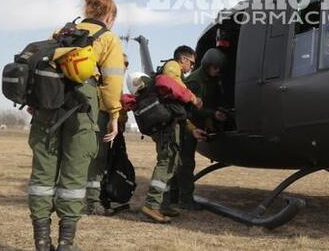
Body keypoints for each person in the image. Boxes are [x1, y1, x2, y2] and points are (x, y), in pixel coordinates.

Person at [28, 0, 125, 251]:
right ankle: (65, 244)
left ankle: (40, 241)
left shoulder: (61, 32)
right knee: (74, 175)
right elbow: (112, 84)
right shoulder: (109, 39)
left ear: (87, 8)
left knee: (42, 172)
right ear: (109, 15)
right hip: (83, 108)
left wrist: (34, 103)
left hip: (49, 106)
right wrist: (113, 115)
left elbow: (39, 67)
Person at [139, 46, 203, 223]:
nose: (191, 67)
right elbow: (174, 86)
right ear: (183, 59)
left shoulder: (177, 74)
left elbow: (178, 112)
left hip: (171, 124)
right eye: (191, 63)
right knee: (166, 161)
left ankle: (162, 204)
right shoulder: (173, 66)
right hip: (167, 127)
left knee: (171, 162)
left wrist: (192, 129)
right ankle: (151, 205)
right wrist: (193, 98)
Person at [170, 48, 227, 209]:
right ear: (208, 65)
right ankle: (185, 200)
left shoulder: (212, 80)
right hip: (186, 125)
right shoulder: (195, 81)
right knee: (186, 163)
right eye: (215, 67)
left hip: (195, 125)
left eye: (219, 68)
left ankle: (174, 196)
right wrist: (212, 114)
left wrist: (211, 116)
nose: (217, 71)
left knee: (182, 162)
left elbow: (208, 103)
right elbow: (190, 108)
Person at [85, 53, 129, 215]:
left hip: (107, 122)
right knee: (97, 160)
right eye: (123, 62)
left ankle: (97, 198)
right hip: (101, 120)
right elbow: (111, 103)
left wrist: (121, 118)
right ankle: (93, 202)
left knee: (102, 162)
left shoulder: (113, 83)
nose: (126, 66)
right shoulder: (106, 83)